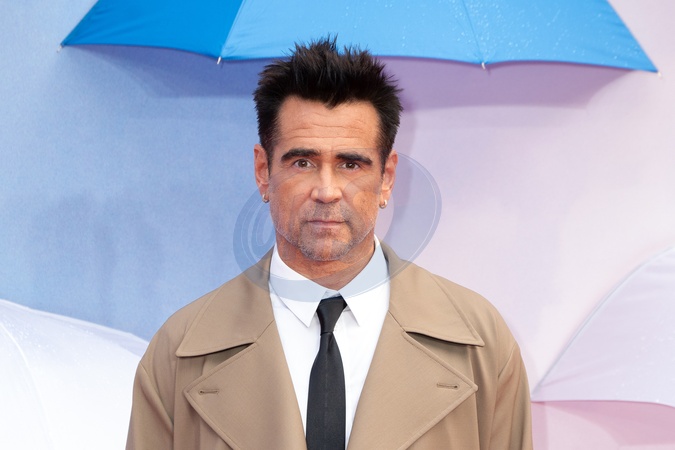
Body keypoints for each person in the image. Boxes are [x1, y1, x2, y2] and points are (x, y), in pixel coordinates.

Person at [126, 37, 532, 450]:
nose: (326, 191)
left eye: (351, 164)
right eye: (302, 162)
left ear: (387, 178)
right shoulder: (179, 353)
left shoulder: (482, 345)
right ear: (263, 171)